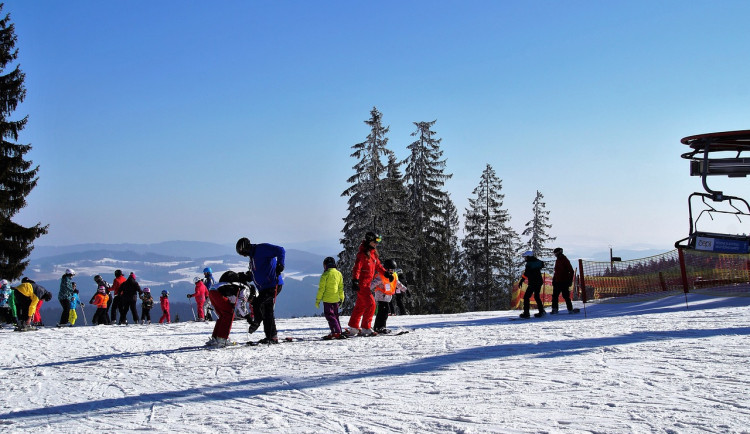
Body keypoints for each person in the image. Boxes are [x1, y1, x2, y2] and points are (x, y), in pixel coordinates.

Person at [236, 236, 285, 344]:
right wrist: (246, 277)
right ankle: (272, 336)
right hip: (264, 287)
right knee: (267, 312)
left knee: (258, 303)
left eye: (243, 252)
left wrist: (280, 264)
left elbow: (280, 250)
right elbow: (257, 272)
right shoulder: (252, 256)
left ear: (246, 247)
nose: (244, 255)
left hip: (273, 284)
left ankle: (257, 322)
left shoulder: (261, 249)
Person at [346, 232, 390, 337]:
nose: (377, 243)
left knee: (360, 306)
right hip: (362, 284)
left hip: (367, 284)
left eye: (378, 241)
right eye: (375, 241)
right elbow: (357, 268)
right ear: (369, 241)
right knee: (371, 304)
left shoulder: (373, 254)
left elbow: (378, 265)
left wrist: (386, 273)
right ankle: (366, 327)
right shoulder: (362, 254)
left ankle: (353, 327)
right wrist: (355, 280)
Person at [205, 270, 252, 347]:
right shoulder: (245, 288)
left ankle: (215, 338)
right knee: (229, 314)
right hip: (217, 293)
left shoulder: (235, 283)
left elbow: (233, 300)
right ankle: (222, 339)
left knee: (223, 315)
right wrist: (247, 317)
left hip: (212, 291)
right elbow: (240, 303)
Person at [372, 259, 406, 334]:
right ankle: (379, 327)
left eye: (393, 270)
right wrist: (366, 289)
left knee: (384, 312)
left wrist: (405, 290)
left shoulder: (394, 275)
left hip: (387, 296)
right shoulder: (381, 275)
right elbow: (373, 283)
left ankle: (379, 327)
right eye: (391, 270)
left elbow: (398, 284)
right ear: (386, 269)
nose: (392, 271)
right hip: (381, 295)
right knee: (383, 312)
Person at [315, 256, 345, 339]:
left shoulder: (325, 275)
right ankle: (338, 330)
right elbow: (341, 287)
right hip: (336, 299)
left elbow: (321, 289)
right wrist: (342, 298)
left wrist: (318, 300)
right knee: (335, 316)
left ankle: (336, 332)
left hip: (327, 300)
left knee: (330, 316)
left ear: (325, 265)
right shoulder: (338, 273)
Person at [551, 247, 579, 314]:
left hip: (564, 282)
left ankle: (570, 309)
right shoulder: (558, 260)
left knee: (566, 296)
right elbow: (556, 272)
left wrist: (569, 281)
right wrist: (554, 280)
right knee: (555, 296)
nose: (555, 255)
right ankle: (555, 309)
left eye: (555, 253)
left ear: (559, 253)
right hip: (557, 281)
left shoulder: (564, 260)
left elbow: (571, 271)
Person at [519, 251, 546, 319]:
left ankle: (526, 313)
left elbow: (526, 273)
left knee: (526, 297)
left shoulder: (529, 264)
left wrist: (522, 280)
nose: (525, 258)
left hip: (533, 282)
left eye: (525, 257)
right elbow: (542, 265)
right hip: (539, 281)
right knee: (537, 296)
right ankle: (541, 311)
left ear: (528, 256)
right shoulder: (538, 262)